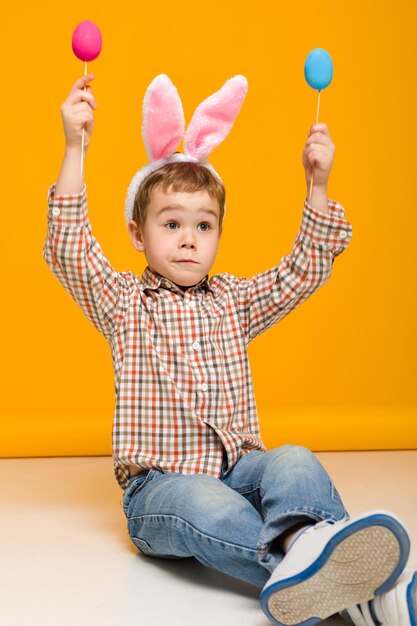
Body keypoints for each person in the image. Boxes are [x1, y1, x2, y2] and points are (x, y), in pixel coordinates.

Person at [43, 73, 416, 626]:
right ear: (138, 234)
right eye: (171, 224)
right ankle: (322, 572)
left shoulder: (234, 302)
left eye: (203, 225)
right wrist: (75, 146)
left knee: (292, 458)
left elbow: (303, 270)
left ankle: (347, 579)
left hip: (238, 471)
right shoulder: (124, 301)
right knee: (205, 501)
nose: (189, 238)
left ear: (219, 233)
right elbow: (69, 245)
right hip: (162, 493)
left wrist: (317, 184)